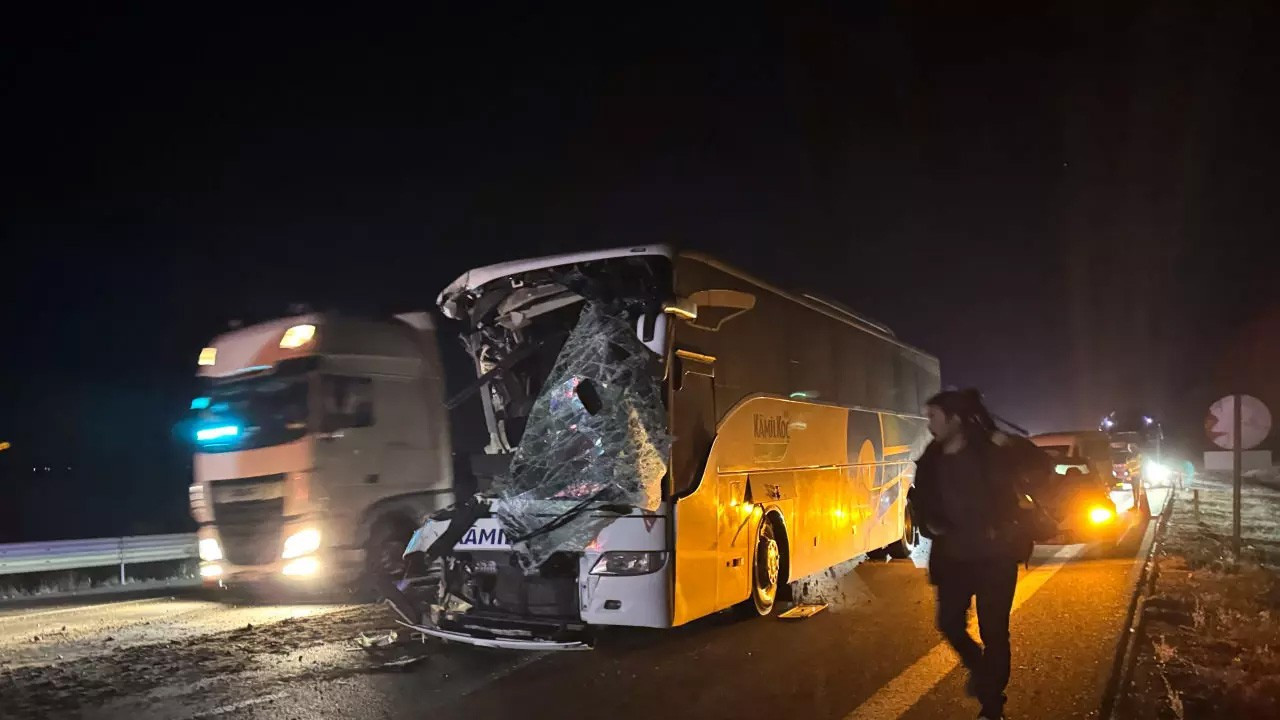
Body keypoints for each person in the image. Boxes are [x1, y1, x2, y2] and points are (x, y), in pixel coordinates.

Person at [910, 389, 1032, 720]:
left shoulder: (989, 449)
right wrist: (928, 522)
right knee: (949, 623)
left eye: (934, 417)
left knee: (994, 633)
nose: (929, 425)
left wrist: (1007, 442)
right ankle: (981, 670)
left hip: (995, 557)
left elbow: (1036, 465)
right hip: (953, 559)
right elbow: (921, 501)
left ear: (955, 419)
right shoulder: (931, 458)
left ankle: (992, 706)